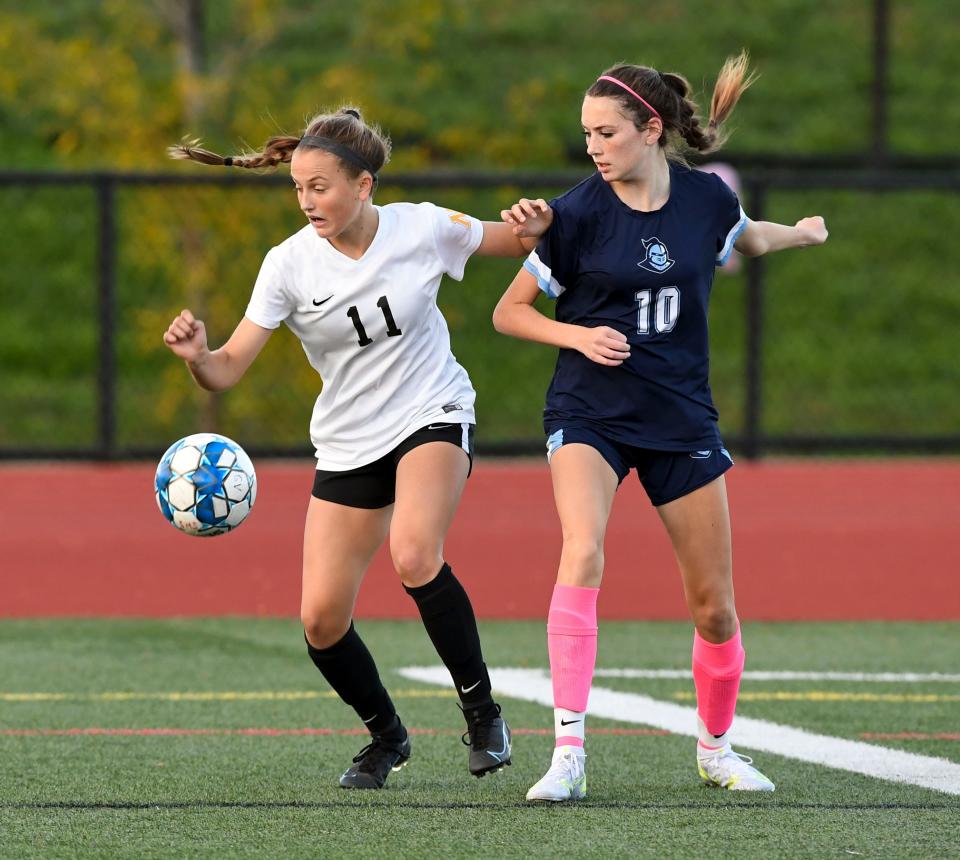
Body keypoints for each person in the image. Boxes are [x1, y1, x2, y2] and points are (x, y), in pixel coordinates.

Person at [163, 106, 547, 789]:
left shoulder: (421, 226)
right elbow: (225, 369)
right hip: (348, 441)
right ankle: (386, 737)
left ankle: (482, 712)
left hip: (433, 412)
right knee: (319, 620)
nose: (308, 201)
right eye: (299, 188)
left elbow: (512, 242)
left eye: (322, 187)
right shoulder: (287, 265)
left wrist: (534, 226)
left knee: (414, 553)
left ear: (364, 185)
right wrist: (197, 355)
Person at [493, 52, 828, 801]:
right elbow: (508, 311)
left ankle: (716, 749)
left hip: (679, 416)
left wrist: (802, 234)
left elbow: (750, 238)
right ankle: (569, 754)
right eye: (586, 134)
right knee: (583, 549)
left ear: (650, 129)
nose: (593, 147)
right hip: (590, 412)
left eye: (605, 133)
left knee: (715, 606)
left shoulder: (707, 200)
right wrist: (578, 336)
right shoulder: (575, 213)